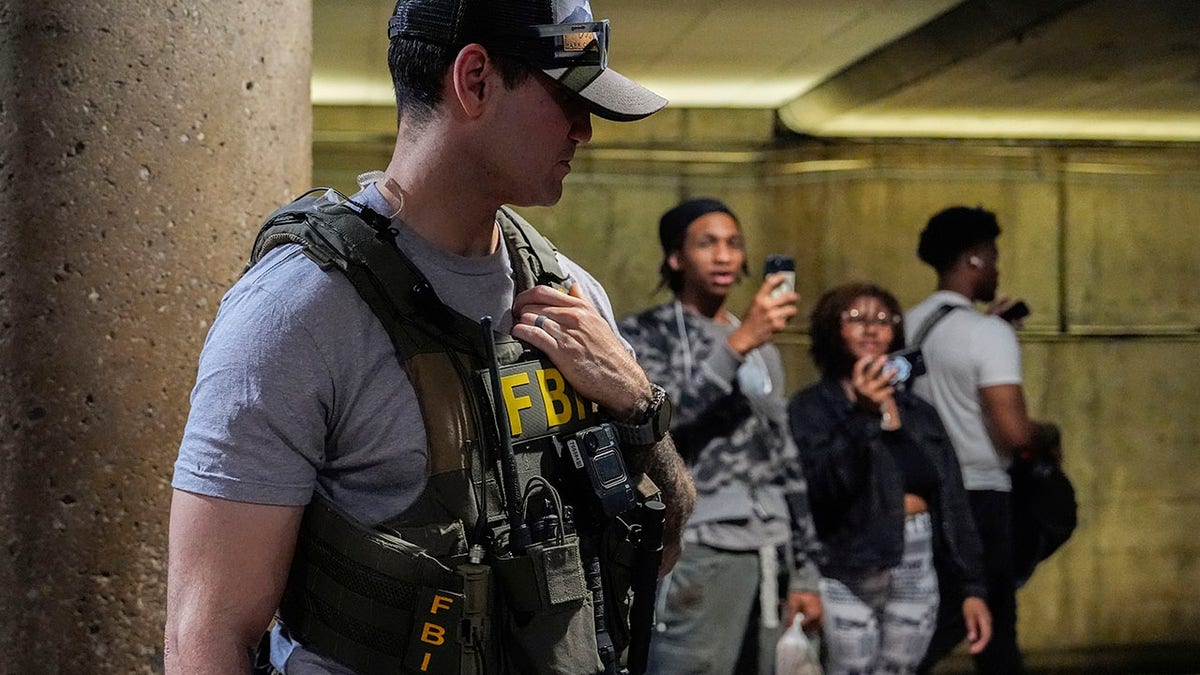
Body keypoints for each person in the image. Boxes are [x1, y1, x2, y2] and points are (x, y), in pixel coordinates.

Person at [164, 1, 697, 673]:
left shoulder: (573, 297)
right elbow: (204, 638)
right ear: (474, 80)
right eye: (565, 97)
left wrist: (641, 408)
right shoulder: (296, 313)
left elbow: (666, 536)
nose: (584, 130)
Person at [617, 198, 823, 675]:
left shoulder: (757, 342)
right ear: (676, 257)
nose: (725, 256)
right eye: (707, 243)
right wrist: (736, 346)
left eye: (734, 243)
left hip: (770, 545)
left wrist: (808, 567)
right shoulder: (646, 333)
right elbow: (657, 422)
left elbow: (784, 454)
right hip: (699, 545)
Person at [787, 282, 992, 675]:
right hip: (846, 566)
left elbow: (951, 498)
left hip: (915, 563)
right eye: (856, 319)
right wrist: (863, 416)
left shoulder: (918, 412)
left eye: (883, 320)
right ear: (832, 329)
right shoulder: (813, 407)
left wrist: (972, 587)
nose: (871, 328)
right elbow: (823, 487)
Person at [907, 206, 1061, 674]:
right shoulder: (987, 333)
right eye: (993, 256)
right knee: (992, 632)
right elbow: (1014, 433)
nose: (997, 268)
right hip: (981, 499)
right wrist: (1049, 433)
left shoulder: (904, 326)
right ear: (974, 260)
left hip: (925, 496)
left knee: (931, 613)